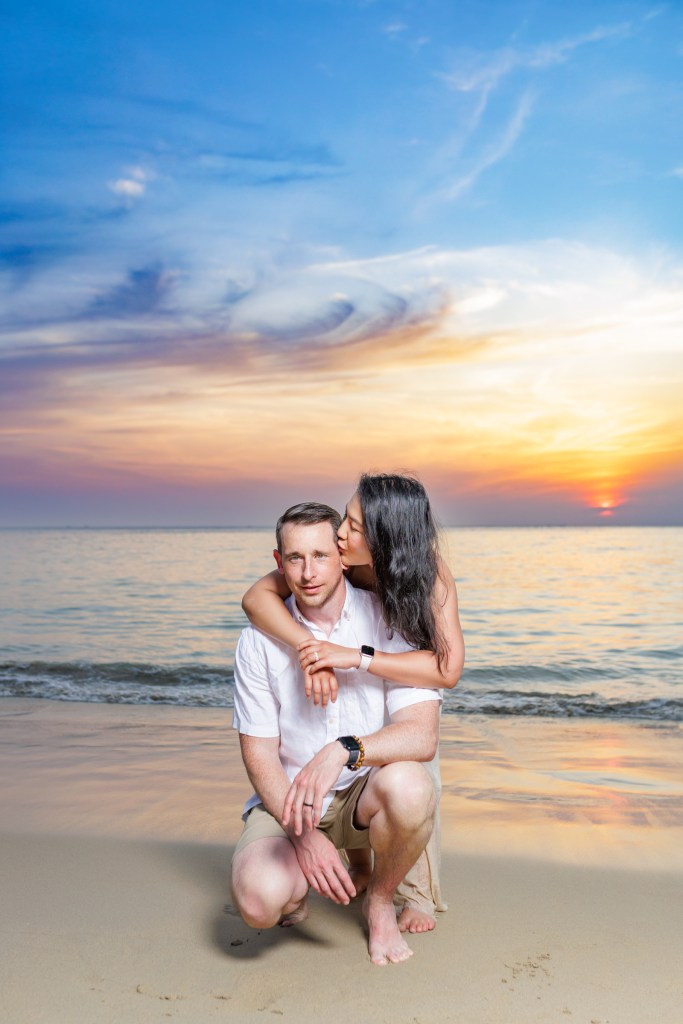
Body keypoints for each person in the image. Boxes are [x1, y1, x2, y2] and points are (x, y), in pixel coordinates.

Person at [241, 472, 464, 932]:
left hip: (399, 678)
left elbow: (447, 670)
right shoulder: (339, 560)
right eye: (345, 517)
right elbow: (256, 598)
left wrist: (357, 658)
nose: (342, 533)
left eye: (355, 527)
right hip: (355, 688)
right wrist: (311, 651)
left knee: (416, 775)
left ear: (385, 539)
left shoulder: (430, 576)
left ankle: (410, 891)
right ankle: (349, 862)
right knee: (373, 744)